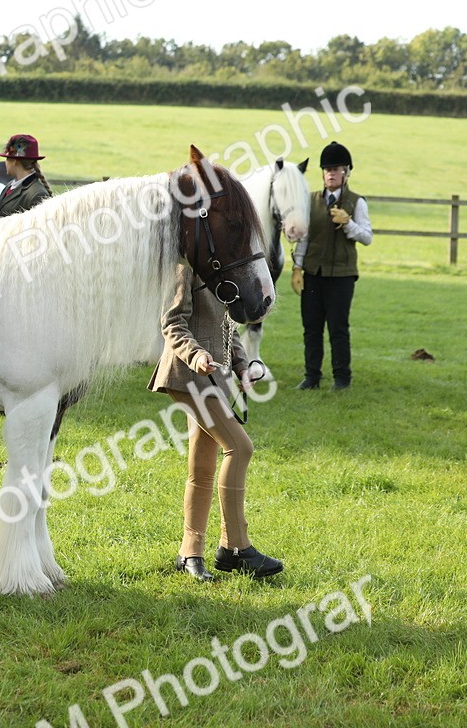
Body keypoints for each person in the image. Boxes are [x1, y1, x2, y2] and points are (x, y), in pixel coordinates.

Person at [149, 262, 284, 581]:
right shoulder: (185, 266)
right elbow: (172, 323)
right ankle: (236, 547)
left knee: (202, 467)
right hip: (187, 375)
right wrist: (195, 355)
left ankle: (190, 552)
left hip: (213, 378)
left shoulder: (222, 265)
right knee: (240, 448)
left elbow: (227, 327)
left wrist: (241, 366)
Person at [290, 141, 373, 390]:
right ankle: (312, 376)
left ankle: (341, 378)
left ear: (346, 172)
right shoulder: (310, 200)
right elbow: (303, 239)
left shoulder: (357, 203)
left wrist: (348, 224)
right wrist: (297, 267)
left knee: (338, 329)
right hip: (313, 274)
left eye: (336, 169)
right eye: (327, 169)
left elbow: (367, 237)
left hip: (342, 276)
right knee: (311, 329)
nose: (330, 173)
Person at [0, 133, 52, 217]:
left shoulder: (37, 194)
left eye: (7, 158)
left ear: (15, 161)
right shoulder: (10, 186)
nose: (5, 163)